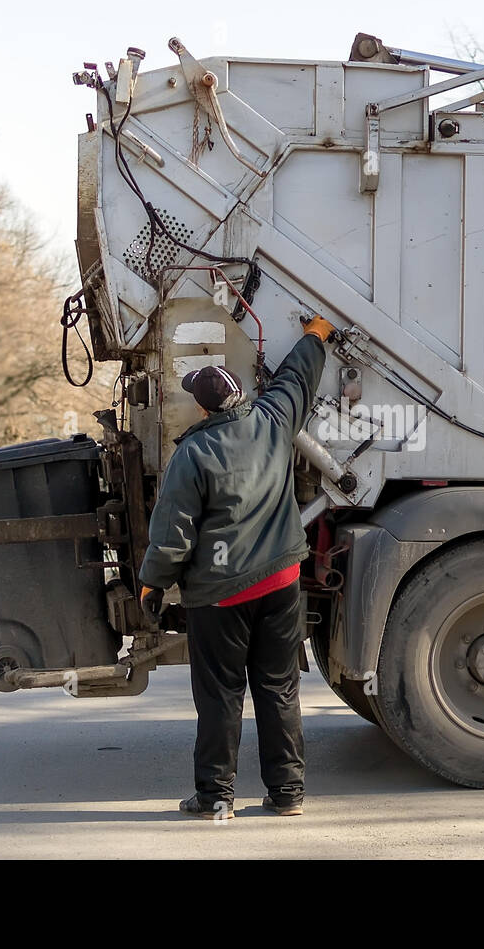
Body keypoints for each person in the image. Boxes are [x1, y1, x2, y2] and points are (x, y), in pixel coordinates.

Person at [138, 314, 334, 820]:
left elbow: (173, 532)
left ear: (203, 405)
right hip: (282, 582)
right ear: (241, 395)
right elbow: (297, 377)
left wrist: (152, 586)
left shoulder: (195, 453)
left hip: (221, 596)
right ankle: (288, 793)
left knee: (222, 694)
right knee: (278, 686)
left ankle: (214, 796)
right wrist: (315, 336)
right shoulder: (273, 419)